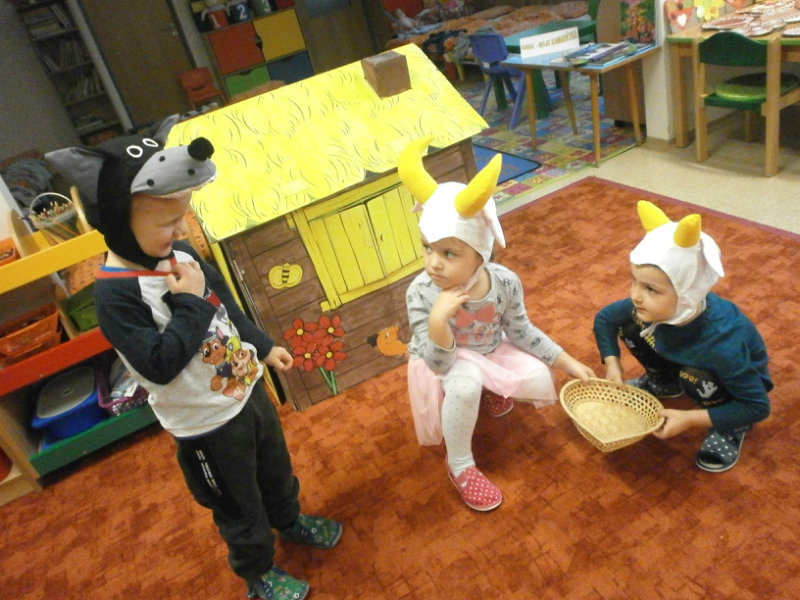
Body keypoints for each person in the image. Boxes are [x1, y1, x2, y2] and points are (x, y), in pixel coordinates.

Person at [45, 121, 341, 600]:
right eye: (167, 223)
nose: (181, 230)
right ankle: (258, 572)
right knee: (237, 505)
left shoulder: (181, 252)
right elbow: (159, 365)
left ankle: (289, 520)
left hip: (247, 392)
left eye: (182, 217)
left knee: (275, 471)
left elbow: (224, 303)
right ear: (119, 222)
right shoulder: (115, 296)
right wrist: (190, 302)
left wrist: (262, 345)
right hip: (205, 425)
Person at [398, 137, 596, 511]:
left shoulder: (504, 282)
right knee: (465, 384)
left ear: (481, 254)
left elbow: (521, 331)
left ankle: (492, 387)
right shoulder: (421, 292)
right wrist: (439, 319)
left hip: (490, 348)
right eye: (427, 247)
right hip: (446, 359)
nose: (433, 263)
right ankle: (460, 465)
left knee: (536, 375)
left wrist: (567, 362)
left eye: (449, 253)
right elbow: (437, 363)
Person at [593, 200, 771, 473]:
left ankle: (729, 425)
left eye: (651, 289)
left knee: (696, 375)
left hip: (724, 381)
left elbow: (757, 406)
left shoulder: (722, 344)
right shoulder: (654, 307)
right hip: (681, 352)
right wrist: (612, 364)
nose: (635, 295)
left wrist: (689, 419)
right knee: (630, 324)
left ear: (687, 293)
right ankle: (664, 382)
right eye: (634, 281)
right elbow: (605, 319)